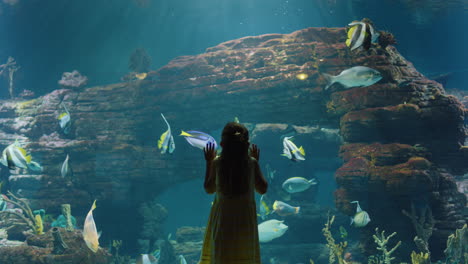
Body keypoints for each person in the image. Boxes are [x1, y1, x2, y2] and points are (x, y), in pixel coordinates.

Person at [199, 122, 268, 264]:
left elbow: (209, 189)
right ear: (247, 144)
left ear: (222, 144)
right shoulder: (251, 163)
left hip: (223, 220)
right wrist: (257, 162)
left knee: (221, 255)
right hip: (245, 221)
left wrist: (209, 162)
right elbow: (262, 189)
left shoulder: (217, 163)